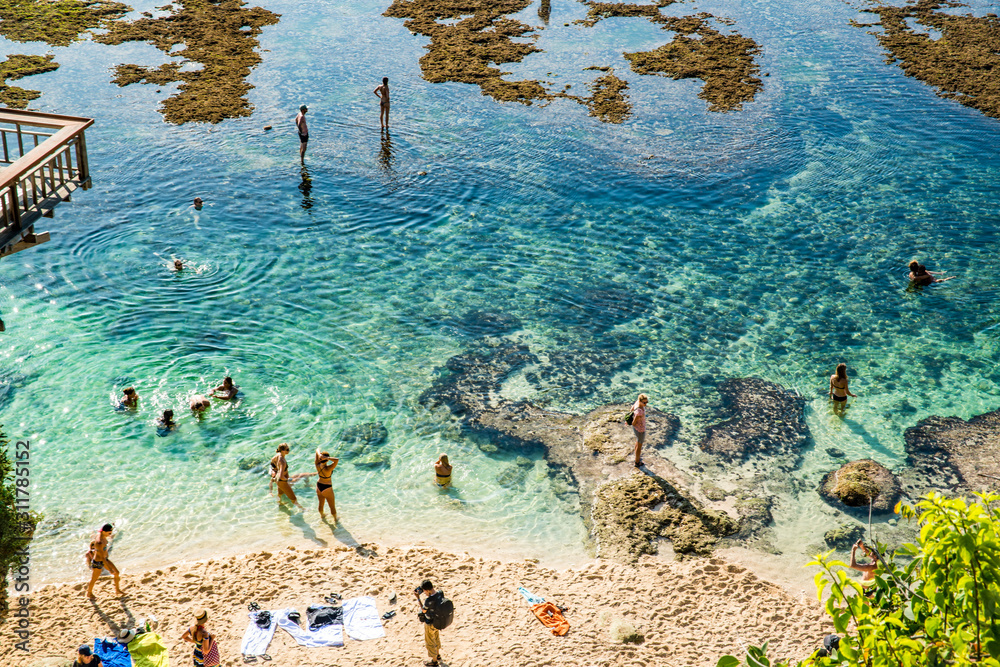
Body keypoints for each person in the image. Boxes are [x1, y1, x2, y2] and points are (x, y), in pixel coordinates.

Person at [85, 524, 124, 599]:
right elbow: (102, 558)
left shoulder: (100, 533)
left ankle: (117, 590)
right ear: (104, 532)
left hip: (105, 559)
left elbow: (99, 530)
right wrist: (109, 569)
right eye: (109, 533)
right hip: (98, 562)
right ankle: (89, 593)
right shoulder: (99, 543)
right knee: (94, 579)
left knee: (117, 573)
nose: (110, 534)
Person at [415, 580, 444, 666]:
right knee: (436, 638)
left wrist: (418, 598)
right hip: (438, 622)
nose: (424, 593)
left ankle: (434, 661)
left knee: (430, 642)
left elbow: (424, 610)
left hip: (430, 623)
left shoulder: (428, 600)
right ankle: (438, 655)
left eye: (424, 591)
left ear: (427, 590)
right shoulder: (440, 593)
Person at [270, 444, 302, 509]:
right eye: (287, 449)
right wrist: (287, 480)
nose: (289, 451)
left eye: (288, 449)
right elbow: (281, 476)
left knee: (280, 494)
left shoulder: (278, 455)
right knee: (293, 498)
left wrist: (275, 471)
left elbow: (272, 461)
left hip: (278, 479)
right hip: (282, 481)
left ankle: (280, 504)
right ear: (282, 450)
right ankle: (303, 509)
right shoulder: (282, 461)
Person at [315, 448, 339, 521]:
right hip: (327, 487)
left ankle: (322, 516)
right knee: (332, 506)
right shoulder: (328, 468)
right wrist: (327, 458)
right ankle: (335, 519)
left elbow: (317, 449)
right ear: (327, 460)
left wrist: (319, 455)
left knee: (321, 503)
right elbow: (336, 460)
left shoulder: (317, 464)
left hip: (319, 485)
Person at [631, 393, 648, 468]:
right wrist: (637, 421)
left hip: (636, 428)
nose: (646, 404)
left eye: (647, 402)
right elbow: (634, 421)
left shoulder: (637, 402)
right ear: (640, 401)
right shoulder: (639, 411)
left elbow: (631, 409)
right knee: (640, 445)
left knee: (638, 441)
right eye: (644, 402)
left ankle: (636, 457)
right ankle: (637, 462)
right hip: (640, 429)